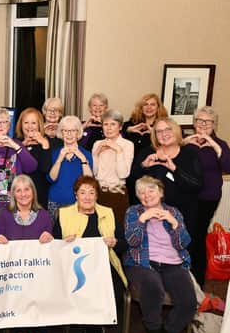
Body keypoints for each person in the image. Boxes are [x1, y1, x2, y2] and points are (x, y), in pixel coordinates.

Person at [53, 176, 127, 333]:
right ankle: (93, 331)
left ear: (97, 196)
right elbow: (53, 245)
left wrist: (115, 242)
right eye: (82, 192)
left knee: (115, 289)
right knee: (81, 289)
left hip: (104, 263)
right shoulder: (64, 214)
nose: (87, 197)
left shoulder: (107, 213)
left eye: (92, 193)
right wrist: (63, 243)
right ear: (75, 195)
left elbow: (124, 244)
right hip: (73, 265)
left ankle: (92, 331)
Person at [124, 176, 196, 333]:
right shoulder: (134, 212)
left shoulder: (174, 212)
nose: (146, 195)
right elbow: (132, 241)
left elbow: (184, 243)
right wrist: (142, 220)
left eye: (151, 190)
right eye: (141, 192)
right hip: (143, 262)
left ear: (161, 192)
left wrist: (174, 223)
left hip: (173, 263)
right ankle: (153, 330)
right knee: (153, 287)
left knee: (188, 302)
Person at [130, 117, 202, 276]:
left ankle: (189, 288)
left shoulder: (189, 154)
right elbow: (132, 179)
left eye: (167, 129)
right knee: (158, 254)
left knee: (182, 253)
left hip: (183, 213)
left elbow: (196, 185)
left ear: (176, 131)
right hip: (154, 216)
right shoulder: (148, 152)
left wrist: (174, 168)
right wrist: (144, 166)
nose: (164, 134)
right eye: (159, 131)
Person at [0, 175, 53, 333]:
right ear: (13, 194)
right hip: (13, 274)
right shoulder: (4, 214)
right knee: (19, 292)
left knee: (40, 291)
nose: (23, 194)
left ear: (33, 192)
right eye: (18, 190)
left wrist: (49, 238)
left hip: (39, 273)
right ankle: (21, 332)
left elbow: (51, 245)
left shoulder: (43, 215)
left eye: (26, 189)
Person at [182, 107, 230, 285]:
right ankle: (182, 278)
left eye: (207, 122)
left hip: (208, 198)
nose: (203, 125)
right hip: (187, 196)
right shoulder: (187, 143)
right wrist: (185, 143)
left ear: (214, 124)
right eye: (199, 121)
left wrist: (213, 144)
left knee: (198, 236)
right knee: (185, 235)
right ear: (194, 123)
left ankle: (198, 281)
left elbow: (228, 166)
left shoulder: (221, 144)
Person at [91, 109, 134, 223]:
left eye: (113, 124)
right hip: (99, 193)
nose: (108, 128)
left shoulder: (127, 145)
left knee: (117, 232)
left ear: (120, 127)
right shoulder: (97, 144)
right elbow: (93, 173)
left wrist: (118, 151)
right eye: (105, 124)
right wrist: (96, 154)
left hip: (118, 193)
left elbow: (123, 174)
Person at [47, 115, 93, 216]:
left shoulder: (86, 154)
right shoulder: (54, 153)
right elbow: (51, 178)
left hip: (78, 203)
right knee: (56, 232)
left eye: (73, 130)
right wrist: (60, 158)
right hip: (55, 202)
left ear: (78, 133)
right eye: (65, 130)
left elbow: (89, 181)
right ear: (61, 133)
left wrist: (83, 159)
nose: (69, 134)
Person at [15, 108, 58, 208]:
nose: (29, 126)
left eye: (33, 123)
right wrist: (22, 146)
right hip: (18, 194)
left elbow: (45, 168)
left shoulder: (47, 142)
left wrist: (45, 145)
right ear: (20, 124)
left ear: (39, 125)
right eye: (26, 122)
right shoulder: (15, 142)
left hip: (39, 194)